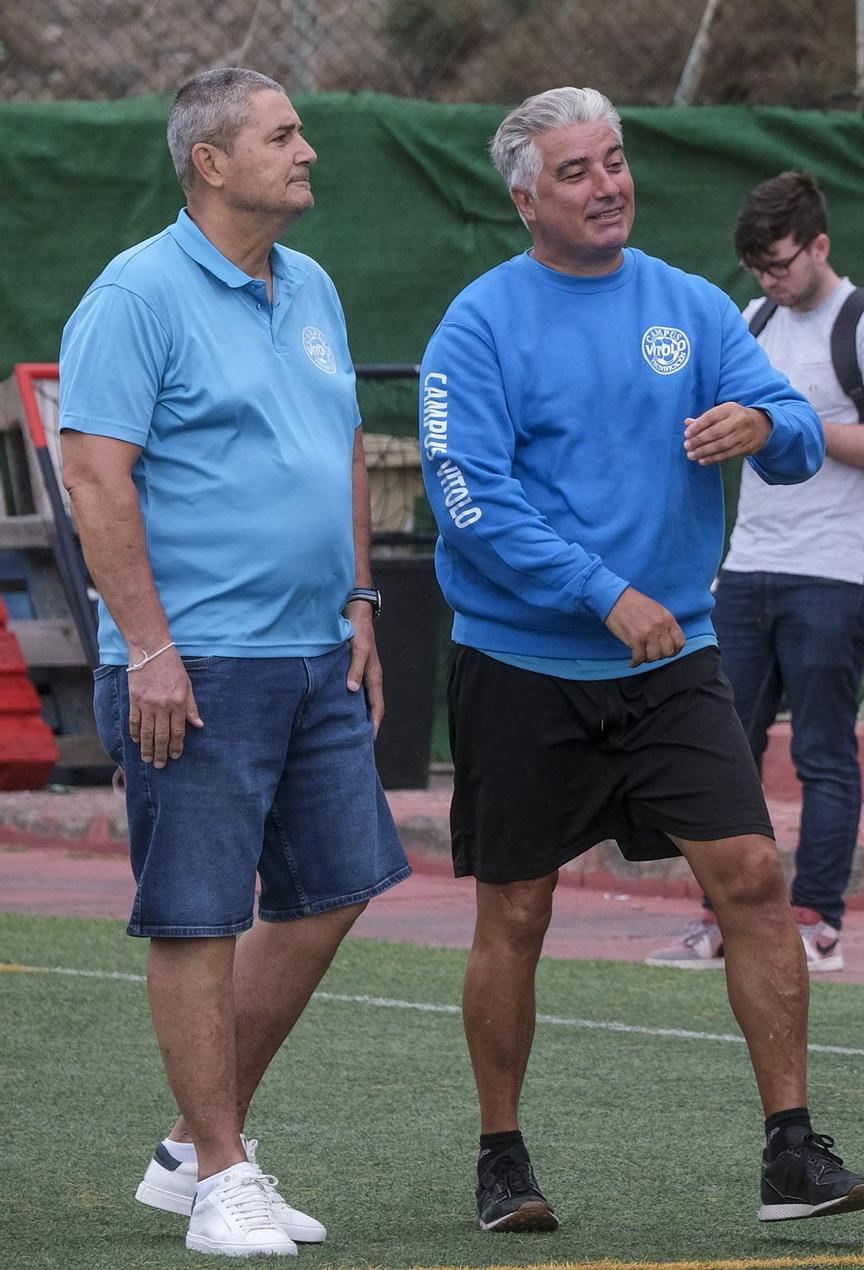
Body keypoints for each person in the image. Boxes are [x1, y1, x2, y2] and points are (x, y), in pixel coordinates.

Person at [418, 86, 864, 1233]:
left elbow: (801, 427)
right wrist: (599, 591)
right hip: (523, 662)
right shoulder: (477, 323)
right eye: (575, 171)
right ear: (526, 197)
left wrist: (765, 429)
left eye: (614, 160)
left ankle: (790, 1152)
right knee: (515, 913)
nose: (607, 184)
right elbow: (467, 498)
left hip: (673, 660)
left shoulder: (689, 306)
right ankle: (501, 1157)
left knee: (755, 880)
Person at [59, 67, 410, 1258]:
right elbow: (95, 479)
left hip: (315, 652)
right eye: (282, 134)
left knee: (333, 893)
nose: (306, 150)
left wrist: (360, 600)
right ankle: (220, 1172)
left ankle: (186, 1148)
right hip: (192, 660)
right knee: (198, 919)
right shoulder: (135, 294)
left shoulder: (309, 284)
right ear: (211, 162)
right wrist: (148, 647)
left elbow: (342, 448)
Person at [648, 170, 864, 973]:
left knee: (822, 752)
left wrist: (783, 426)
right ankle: (723, 915)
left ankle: (817, 920)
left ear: (820, 246)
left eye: (780, 264)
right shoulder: (751, 319)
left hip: (839, 569)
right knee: (721, 747)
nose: (770, 281)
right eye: (759, 269)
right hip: (747, 567)